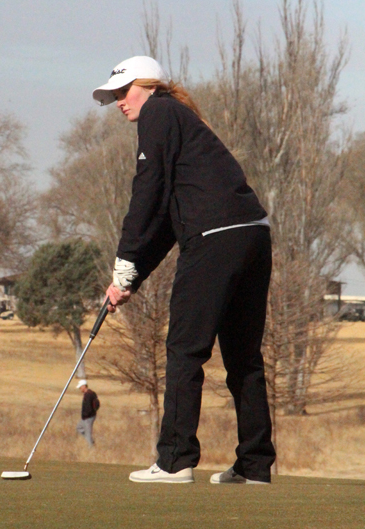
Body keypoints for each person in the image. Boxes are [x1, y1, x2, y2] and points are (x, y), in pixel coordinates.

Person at [93, 56, 276, 484]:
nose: (119, 102)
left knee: (184, 348)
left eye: (123, 92)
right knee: (244, 357)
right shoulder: (179, 120)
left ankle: (175, 461)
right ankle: (255, 465)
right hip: (251, 235)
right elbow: (164, 228)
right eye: (114, 96)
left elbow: (146, 194)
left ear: (148, 84)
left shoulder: (157, 111)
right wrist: (130, 279)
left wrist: (122, 264)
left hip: (216, 237)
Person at [75, 379, 100, 447]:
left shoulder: (88, 395)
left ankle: (91, 447)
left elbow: (88, 407)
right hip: (87, 417)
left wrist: (86, 415)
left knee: (88, 432)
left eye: (80, 387)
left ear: (84, 386)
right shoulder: (91, 393)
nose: (80, 389)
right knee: (79, 428)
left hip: (88, 417)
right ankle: (91, 441)